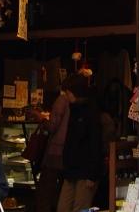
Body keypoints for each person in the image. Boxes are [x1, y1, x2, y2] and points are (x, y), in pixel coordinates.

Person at [56, 75, 103, 212]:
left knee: (80, 208)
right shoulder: (74, 109)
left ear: (76, 92)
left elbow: (95, 142)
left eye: (68, 93)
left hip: (85, 171)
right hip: (71, 170)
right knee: (63, 208)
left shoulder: (90, 111)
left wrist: (92, 175)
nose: (66, 96)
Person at [33, 77, 75, 212]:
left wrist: (41, 119)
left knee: (46, 188)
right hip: (68, 151)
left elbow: (52, 126)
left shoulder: (62, 100)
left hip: (55, 151)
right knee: (60, 188)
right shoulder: (74, 102)